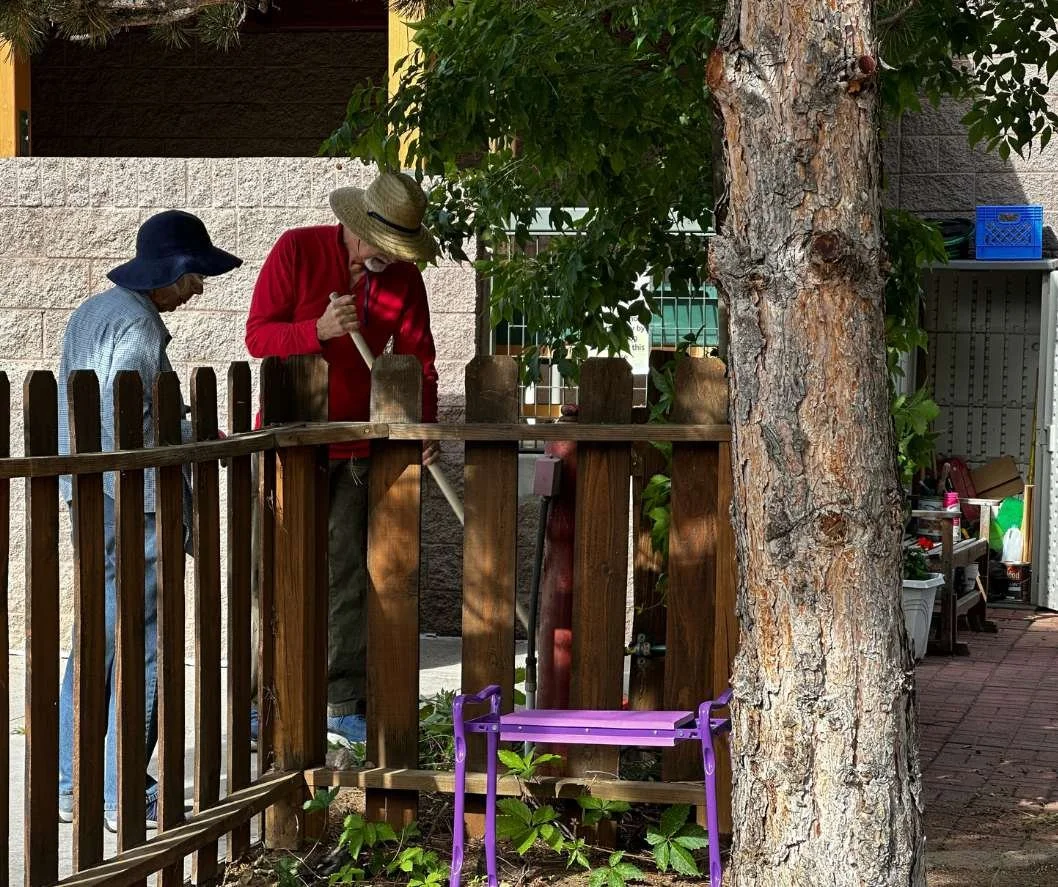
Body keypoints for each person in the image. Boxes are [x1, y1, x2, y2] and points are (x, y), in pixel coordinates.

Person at [57, 210, 242, 832]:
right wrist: (193, 439)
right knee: (142, 641)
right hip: (134, 501)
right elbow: (130, 423)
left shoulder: (93, 311)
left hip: (90, 493)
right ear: (171, 271)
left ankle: (69, 781)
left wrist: (185, 427)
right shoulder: (140, 326)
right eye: (195, 278)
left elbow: (101, 410)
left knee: (98, 635)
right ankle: (124, 792)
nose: (198, 291)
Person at [245, 170, 440, 747]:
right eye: (387, 246)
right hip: (289, 445)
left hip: (358, 448)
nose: (393, 258)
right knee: (275, 571)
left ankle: (340, 700)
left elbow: (420, 361)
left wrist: (423, 424)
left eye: (401, 249)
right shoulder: (296, 250)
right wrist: (319, 329)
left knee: (349, 577)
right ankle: (264, 701)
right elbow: (258, 337)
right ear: (359, 227)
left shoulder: (403, 279)